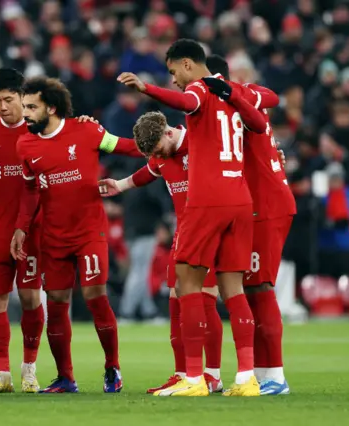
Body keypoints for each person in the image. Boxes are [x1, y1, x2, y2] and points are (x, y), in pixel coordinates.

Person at [117, 39, 266, 397]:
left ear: (187, 64)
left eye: (172, 72)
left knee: (187, 284)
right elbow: (259, 124)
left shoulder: (199, 89)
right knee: (233, 289)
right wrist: (234, 95)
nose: (174, 80)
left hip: (209, 199)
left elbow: (186, 101)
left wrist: (146, 88)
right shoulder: (231, 93)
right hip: (239, 198)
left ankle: (196, 377)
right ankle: (247, 379)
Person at [12, 77, 143, 393]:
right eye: (24, 106)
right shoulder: (25, 145)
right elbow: (30, 191)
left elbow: (124, 146)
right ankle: (65, 377)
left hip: (89, 233)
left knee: (95, 295)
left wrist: (164, 144)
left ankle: (113, 368)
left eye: (31, 107)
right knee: (55, 302)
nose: (24, 113)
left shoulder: (88, 131)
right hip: (53, 238)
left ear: (51, 107)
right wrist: (21, 226)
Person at [98, 112, 224, 394]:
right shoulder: (160, 155)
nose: (156, 157)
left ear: (168, 134)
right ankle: (182, 374)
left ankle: (212, 374)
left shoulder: (199, 140)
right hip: (184, 233)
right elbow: (148, 172)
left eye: (157, 151)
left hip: (210, 229)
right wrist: (120, 184)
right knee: (175, 301)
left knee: (205, 300)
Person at [206, 54, 296, 395]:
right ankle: (261, 373)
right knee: (251, 287)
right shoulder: (232, 101)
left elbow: (272, 97)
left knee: (259, 287)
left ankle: (274, 376)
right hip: (258, 202)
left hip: (266, 205)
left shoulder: (233, 98)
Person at [0, 68, 44, 394]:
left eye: (9, 100)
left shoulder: (38, 127)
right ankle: (3, 374)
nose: (2, 107)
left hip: (31, 229)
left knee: (30, 298)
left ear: (22, 97)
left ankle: (29, 369)